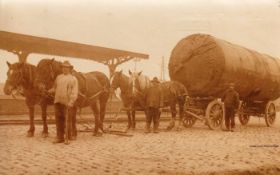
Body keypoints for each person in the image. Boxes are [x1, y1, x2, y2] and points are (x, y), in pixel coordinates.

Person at [48, 61, 79, 143]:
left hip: (67, 102)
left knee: (67, 120)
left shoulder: (73, 79)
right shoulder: (58, 77)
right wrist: (48, 91)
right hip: (57, 101)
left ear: (69, 69)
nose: (64, 69)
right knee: (58, 120)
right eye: (63, 67)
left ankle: (68, 137)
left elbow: (74, 92)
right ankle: (59, 137)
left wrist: (71, 102)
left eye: (66, 67)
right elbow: (55, 88)